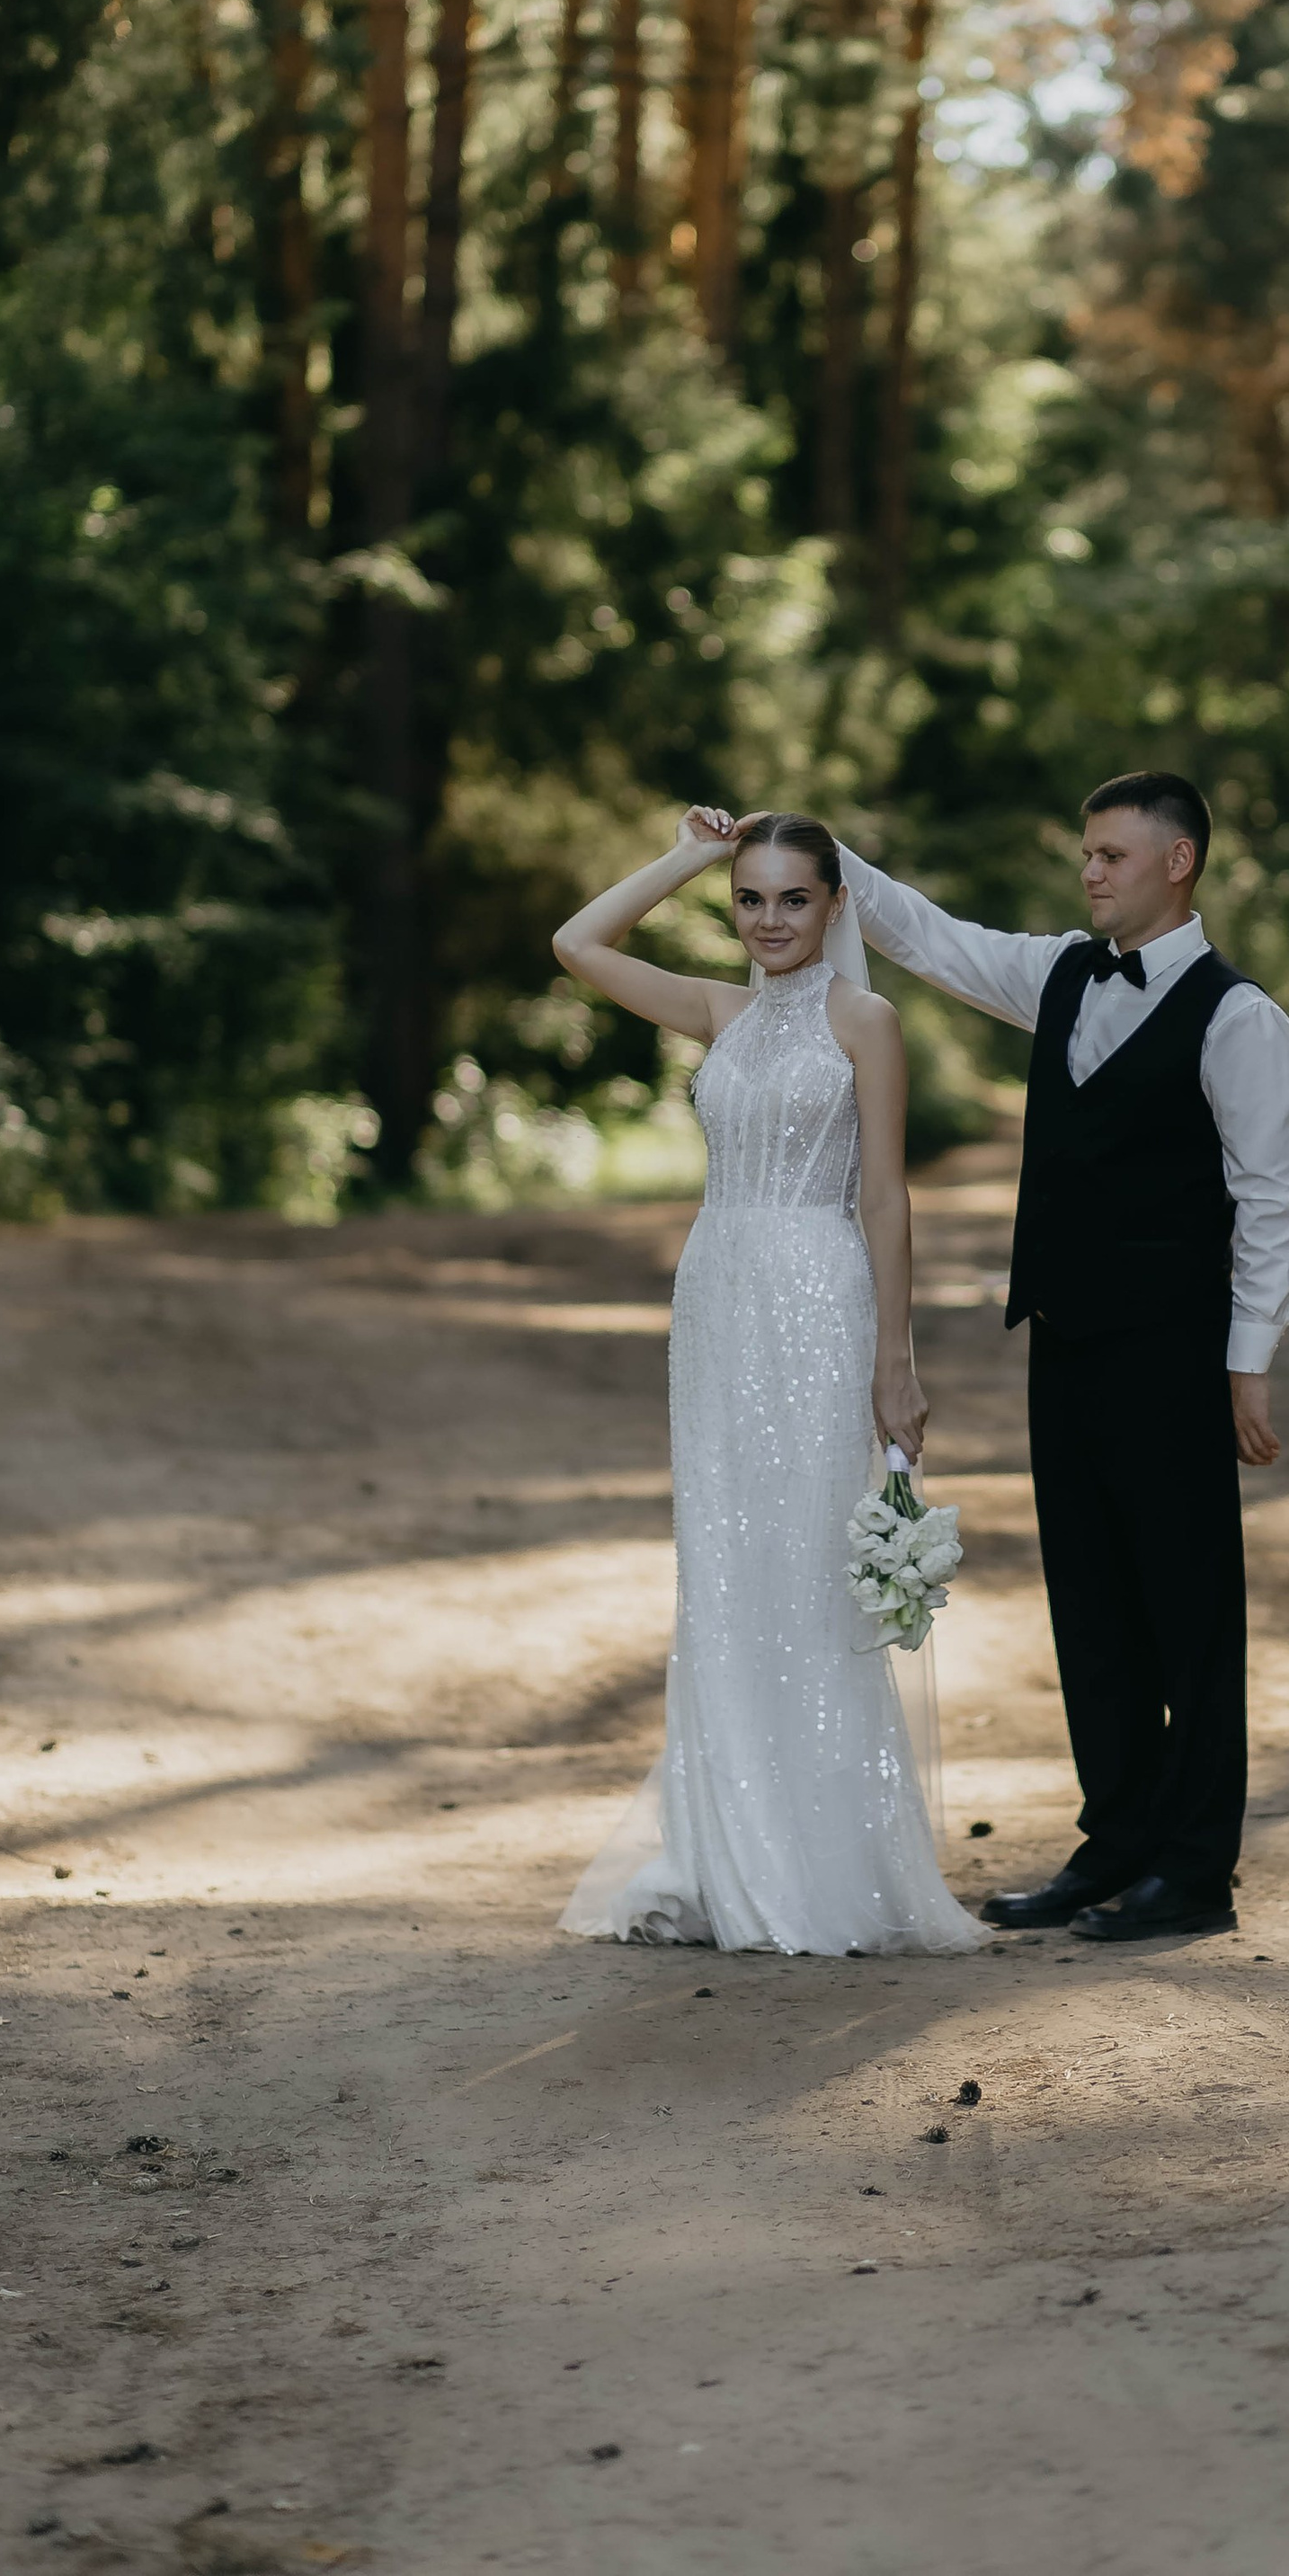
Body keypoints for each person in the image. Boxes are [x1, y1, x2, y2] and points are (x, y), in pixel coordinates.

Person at [835, 772, 1289, 1942]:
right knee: (1091, 1605)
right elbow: (930, 939)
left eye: (1111, 854)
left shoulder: (1240, 1019)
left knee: (1187, 1610)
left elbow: (1273, 1199)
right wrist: (814, 852)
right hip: (1065, 1342)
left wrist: (1249, 1360)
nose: (1089, 871)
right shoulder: (1059, 976)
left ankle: (1196, 1873)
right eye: (1086, 854)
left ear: (1179, 861)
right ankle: (1118, 1842)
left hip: (1177, 1353)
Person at [548, 807, 982, 1958]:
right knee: (725, 1564)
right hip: (717, 1301)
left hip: (817, 1294)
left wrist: (896, 1360)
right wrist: (686, 855)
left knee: (804, 1565)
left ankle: (821, 1864)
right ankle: (725, 1849)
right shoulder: (717, 1010)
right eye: (750, 898)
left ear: (837, 906)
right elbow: (577, 945)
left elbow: (886, 1199)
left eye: (795, 898)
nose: (771, 920)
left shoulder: (866, 1022)